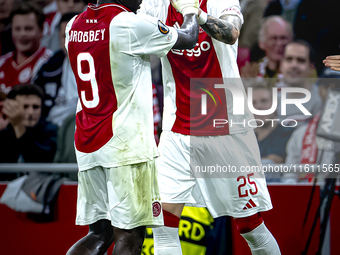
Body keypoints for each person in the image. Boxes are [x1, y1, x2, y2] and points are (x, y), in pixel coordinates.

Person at [140, 0, 281, 254]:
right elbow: (133, 31)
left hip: (225, 128)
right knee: (163, 225)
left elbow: (232, 33)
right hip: (176, 129)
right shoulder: (155, 3)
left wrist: (197, 14)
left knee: (251, 227)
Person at [65, 0, 199, 254]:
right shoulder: (130, 23)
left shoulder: (73, 25)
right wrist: (191, 10)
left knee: (99, 233)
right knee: (131, 236)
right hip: (124, 145)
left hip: (87, 141)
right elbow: (189, 38)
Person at [34, 12, 79, 126]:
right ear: (59, 38)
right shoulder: (48, 68)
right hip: (51, 131)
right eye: (65, 36)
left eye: (74, 35)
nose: (69, 42)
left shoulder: (100, 67)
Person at [0, 2, 52, 95]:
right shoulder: (2, 62)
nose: (22, 34)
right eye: (17, 29)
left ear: (41, 30)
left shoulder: (49, 61)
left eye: (28, 29)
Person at [0, 83, 57, 164]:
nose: (30, 112)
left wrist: (18, 126)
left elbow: (41, 160)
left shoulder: (51, 130)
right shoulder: (5, 130)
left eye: (35, 107)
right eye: (25, 106)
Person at [277, 40, 322, 122]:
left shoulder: (322, 102)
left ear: (311, 67)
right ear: (281, 65)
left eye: (301, 60)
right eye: (289, 59)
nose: (294, 65)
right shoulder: (271, 100)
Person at [241, 15, 293, 85]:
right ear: (262, 43)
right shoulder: (253, 71)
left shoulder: (300, 71)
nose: (279, 43)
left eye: (283, 38)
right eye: (274, 38)